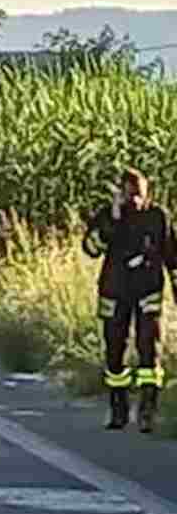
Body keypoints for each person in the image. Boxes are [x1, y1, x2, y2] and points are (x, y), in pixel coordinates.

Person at [82, 168, 177, 432]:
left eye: (139, 194)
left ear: (148, 193)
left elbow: (172, 257)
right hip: (114, 292)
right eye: (129, 194)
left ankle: (148, 410)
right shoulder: (108, 216)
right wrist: (111, 220)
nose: (134, 200)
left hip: (148, 291)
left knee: (149, 350)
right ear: (120, 193)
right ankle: (118, 408)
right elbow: (90, 249)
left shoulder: (158, 217)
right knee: (114, 353)